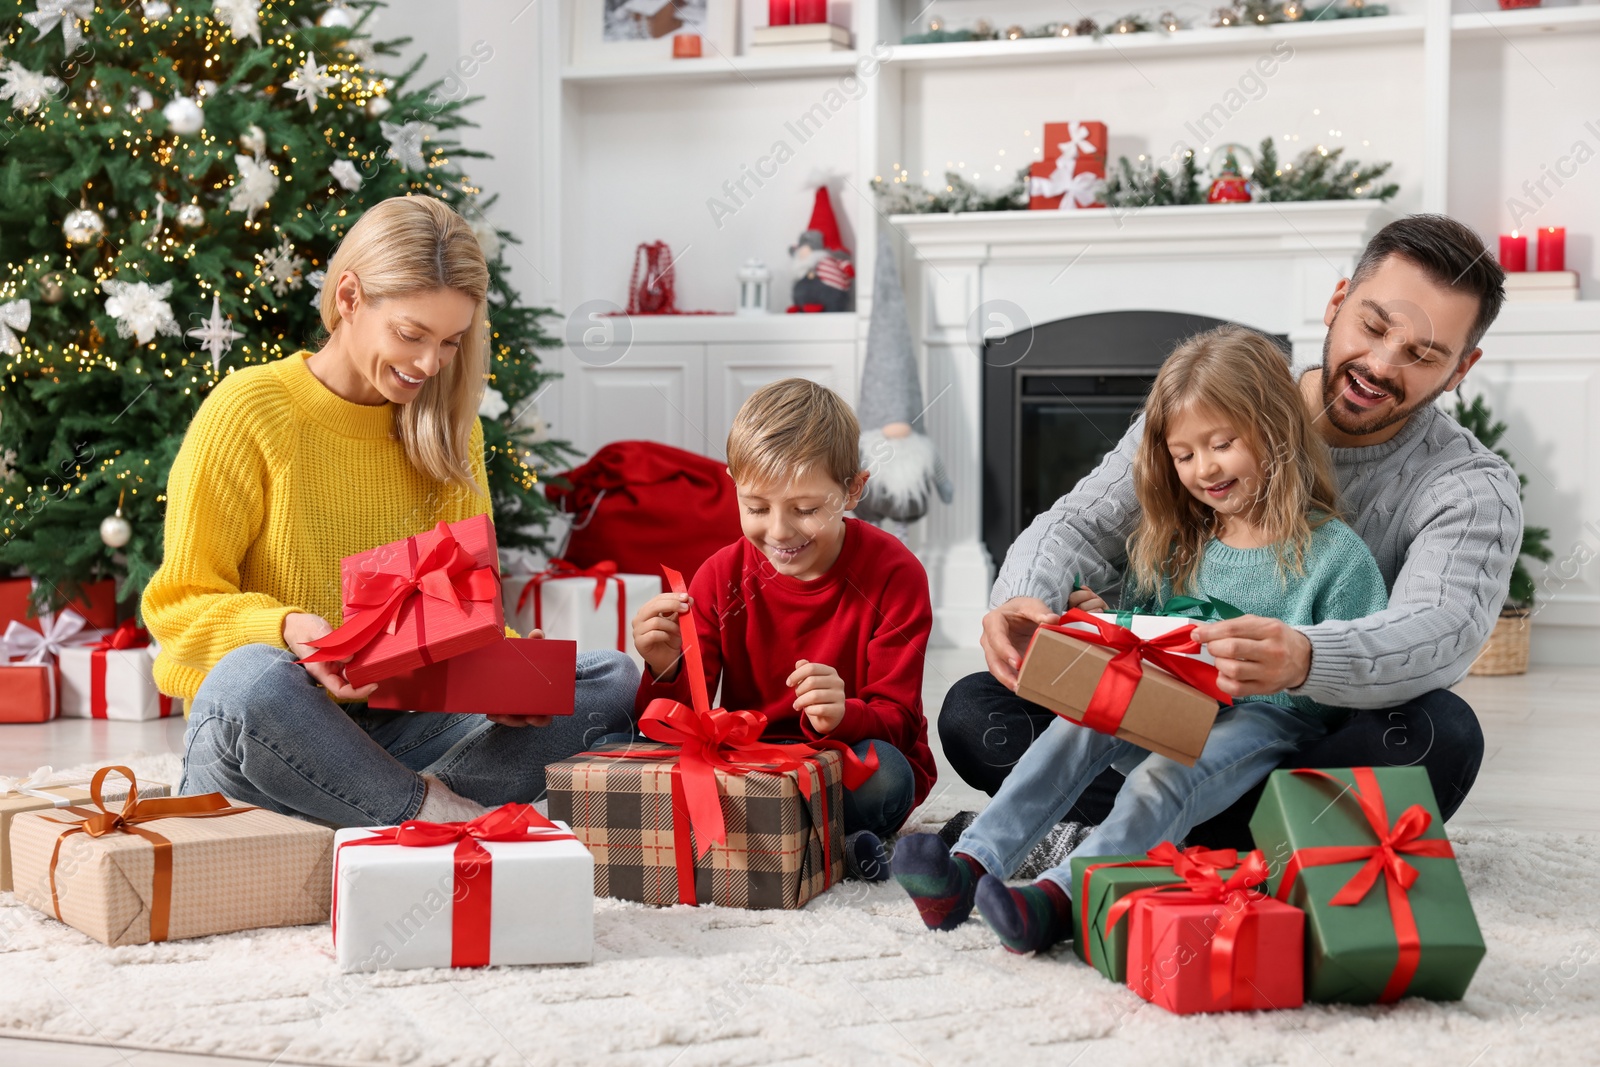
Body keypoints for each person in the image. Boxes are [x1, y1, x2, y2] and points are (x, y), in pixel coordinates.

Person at [937, 214, 1520, 851]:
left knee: (1442, 732)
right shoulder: (1217, 398)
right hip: (1168, 722)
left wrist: (1304, 659)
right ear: (1336, 303)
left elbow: (1441, 629)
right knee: (976, 709)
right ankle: (1264, 846)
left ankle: (1114, 834)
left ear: (1461, 369)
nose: (1379, 365)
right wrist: (1028, 601)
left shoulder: (1469, 486)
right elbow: (1079, 523)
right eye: (1374, 326)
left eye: (1422, 355)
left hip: (1305, 737)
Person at [142, 196, 637, 828]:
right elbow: (177, 606)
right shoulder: (249, 411)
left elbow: (461, 618)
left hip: (396, 737)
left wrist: (506, 681)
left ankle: (388, 805)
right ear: (348, 297)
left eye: (450, 342)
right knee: (250, 679)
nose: (429, 365)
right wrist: (291, 629)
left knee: (611, 678)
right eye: (411, 334)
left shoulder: (449, 434)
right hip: (270, 740)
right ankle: (432, 812)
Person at [894, 327, 1389, 949]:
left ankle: (1065, 896)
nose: (1203, 468)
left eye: (1222, 444)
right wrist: (1107, 618)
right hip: (1178, 707)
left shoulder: (1335, 555)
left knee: (1162, 778)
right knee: (1081, 721)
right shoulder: (1184, 541)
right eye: (1184, 455)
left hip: (1268, 725)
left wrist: (1284, 667)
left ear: (1276, 431)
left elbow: (1359, 674)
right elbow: (1152, 636)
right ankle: (969, 867)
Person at [631, 378, 935, 881]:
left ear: (853, 490)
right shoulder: (719, 576)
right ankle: (819, 839)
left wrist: (843, 715)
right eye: (756, 507)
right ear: (734, 485)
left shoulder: (895, 574)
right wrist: (665, 667)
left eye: (806, 509)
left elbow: (898, 722)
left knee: (885, 776)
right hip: (753, 764)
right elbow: (687, 724)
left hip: (844, 759)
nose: (778, 531)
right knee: (638, 746)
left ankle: (784, 835)